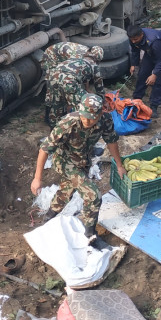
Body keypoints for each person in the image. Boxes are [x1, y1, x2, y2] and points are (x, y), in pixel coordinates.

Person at [31, 94, 125, 238]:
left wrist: (119, 165)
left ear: (100, 114)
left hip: (83, 161)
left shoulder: (105, 120)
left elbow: (111, 141)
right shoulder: (68, 123)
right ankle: (90, 234)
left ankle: (49, 216)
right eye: (84, 116)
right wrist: (37, 178)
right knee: (93, 195)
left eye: (92, 117)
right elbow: (44, 149)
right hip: (65, 161)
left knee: (67, 190)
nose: (87, 121)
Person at [46, 48, 104, 126]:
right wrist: (101, 101)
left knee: (56, 105)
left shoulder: (77, 57)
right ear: (98, 59)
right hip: (69, 81)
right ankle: (74, 127)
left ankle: (53, 130)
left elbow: (83, 80)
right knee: (82, 105)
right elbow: (99, 86)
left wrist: (87, 89)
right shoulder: (94, 65)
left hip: (53, 77)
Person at [127, 25, 161, 115]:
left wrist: (154, 74)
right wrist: (133, 64)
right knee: (142, 75)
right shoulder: (133, 38)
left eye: (135, 39)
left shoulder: (154, 41)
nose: (133, 41)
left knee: (158, 81)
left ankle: (154, 106)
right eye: (131, 39)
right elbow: (134, 51)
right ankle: (136, 99)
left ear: (141, 35)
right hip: (150, 52)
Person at [42, 42, 90, 123]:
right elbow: (71, 77)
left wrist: (87, 89)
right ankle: (49, 116)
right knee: (53, 87)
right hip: (51, 57)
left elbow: (83, 77)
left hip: (62, 58)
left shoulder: (89, 55)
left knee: (68, 88)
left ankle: (62, 109)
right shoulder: (77, 58)